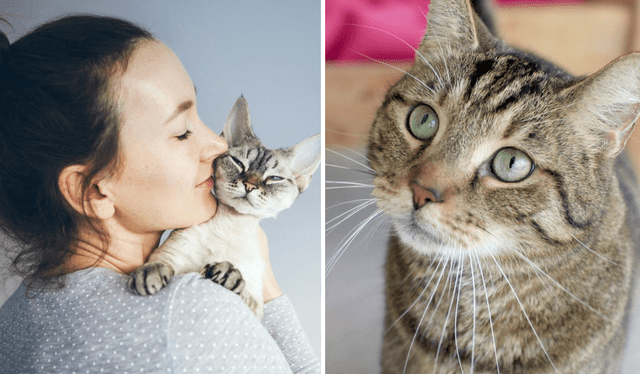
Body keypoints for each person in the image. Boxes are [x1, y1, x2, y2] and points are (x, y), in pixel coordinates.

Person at [0, 15, 319, 373]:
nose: (218, 145)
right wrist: (269, 294)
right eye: (183, 131)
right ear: (93, 191)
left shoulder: (12, 319)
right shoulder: (192, 315)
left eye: (199, 117)